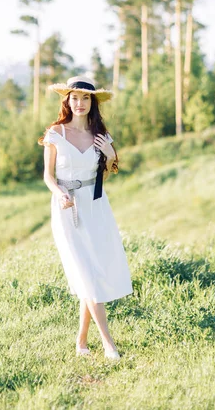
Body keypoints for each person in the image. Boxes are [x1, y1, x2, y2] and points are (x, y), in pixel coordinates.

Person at [38, 75, 133, 360]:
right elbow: (48, 176)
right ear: (67, 100)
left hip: (96, 205)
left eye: (86, 98)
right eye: (75, 98)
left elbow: (105, 173)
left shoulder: (100, 135)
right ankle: (109, 344)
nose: (79, 103)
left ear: (93, 102)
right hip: (68, 209)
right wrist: (59, 194)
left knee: (90, 274)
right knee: (87, 275)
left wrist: (110, 153)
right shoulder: (56, 133)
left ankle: (81, 342)